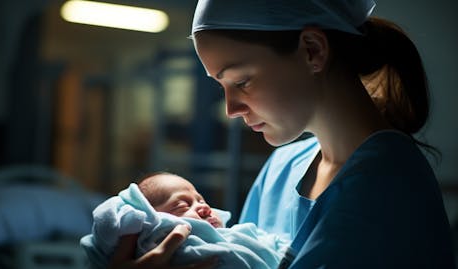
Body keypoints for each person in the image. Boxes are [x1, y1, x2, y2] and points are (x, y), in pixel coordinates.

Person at [109, 0, 456, 268]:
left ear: (312, 51)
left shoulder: (386, 187)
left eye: (242, 81)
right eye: (222, 86)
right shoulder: (284, 165)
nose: (231, 110)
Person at [80, 172, 289, 269]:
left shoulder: (234, 235)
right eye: (182, 206)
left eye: (201, 199)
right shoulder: (157, 236)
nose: (203, 206)